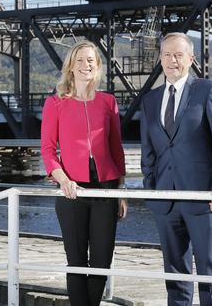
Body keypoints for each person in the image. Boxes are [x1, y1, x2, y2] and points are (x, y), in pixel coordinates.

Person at [140, 32, 212, 306]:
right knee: (175, 276)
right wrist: (151, 189)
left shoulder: (207, 91)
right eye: (167, 55)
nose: (172, 60)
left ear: (191, 59)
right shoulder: (150, 100)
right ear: (160, 59)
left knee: (210, 274)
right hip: (165, 201)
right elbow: (149, 153)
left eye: (178, 55)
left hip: (205, 200)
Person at [40, 40, 128, 306]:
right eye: (79, 60)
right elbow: (47, 149)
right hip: (71, 190)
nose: (85, 65)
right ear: (70, 67)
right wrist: (63, 179)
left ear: (98, 66)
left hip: (106, 187)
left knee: (101, 259)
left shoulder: (108, 102)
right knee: (76, 260)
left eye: (90, 60)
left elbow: (117, 149)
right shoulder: (55, 104)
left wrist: (122, 191)